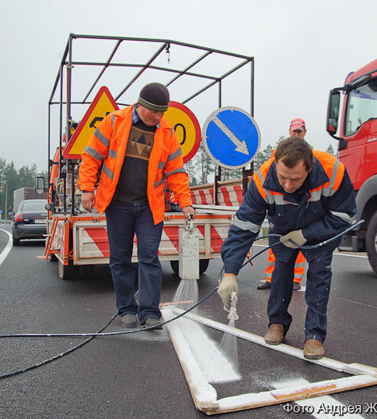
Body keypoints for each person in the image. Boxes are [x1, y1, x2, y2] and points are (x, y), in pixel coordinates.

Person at [218, 137, 356, 359]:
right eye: (282, 177)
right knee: (280, 273)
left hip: (320, 229)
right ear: (275, 164)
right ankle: (277, 324)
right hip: (282, 228)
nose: (288, 185)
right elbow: (244, 226)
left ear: (309, 168)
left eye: (296, 179)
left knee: (319, 275)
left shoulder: (333, 172)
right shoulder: (263, 179)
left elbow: (343, 215)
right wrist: (230, 272)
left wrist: (306, 234)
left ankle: (314, 335)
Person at [78, 83, 195, 330]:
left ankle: (150, 313)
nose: (159, 117)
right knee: (120, 259)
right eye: (155, 112)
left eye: (162, 113)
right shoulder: (113, 122)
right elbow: (91, 157)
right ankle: (126, 310)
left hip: (149, 207)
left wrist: (185, 204)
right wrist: (87, 189)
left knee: (149, 259)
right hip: (117, 205)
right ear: (141, 106)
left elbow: (176, 172)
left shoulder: (167, 132)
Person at [258, 118, 308, 291]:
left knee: (298, 245)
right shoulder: (278, 153)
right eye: (294, 131)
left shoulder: (310, 155)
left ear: (304, 132)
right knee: (275, 244)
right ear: (289, 131)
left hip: (299, 207)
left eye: (300, 131)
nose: (297, 134)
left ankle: (295, 279)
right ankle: (271, 278)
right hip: (279, 207)